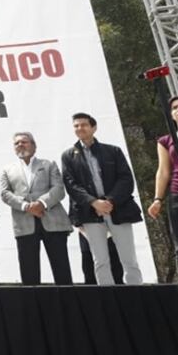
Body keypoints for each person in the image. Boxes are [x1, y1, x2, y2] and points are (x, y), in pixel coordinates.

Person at [61, 112, 144, 285]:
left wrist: (110, 201)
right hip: (90, 213)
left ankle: (136, 297)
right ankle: (107, 302)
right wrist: (94, 202)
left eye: (83, 125)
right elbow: (71, 185)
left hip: (117, 209)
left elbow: (126, 179)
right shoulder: (69, 155)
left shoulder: (112, 151)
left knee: (129, 259)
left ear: (94, 127)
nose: (79, 128)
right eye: (76, 126)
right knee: (100, 261)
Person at [0, 132, 74, 285]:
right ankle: (33, 308)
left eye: (24, 142)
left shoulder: (48, 164)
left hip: (53, 222)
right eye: (17, 143)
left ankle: (68, 307)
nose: (20, 145)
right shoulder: (7, 169)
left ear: (34, 146)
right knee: (29, 274)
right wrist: (26, 206)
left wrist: (40, 203)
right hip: (24, 224)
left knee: (62, 270)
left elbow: (58, 189)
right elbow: (5, 194)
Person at [147, 95, 178, 269]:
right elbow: (163, 171)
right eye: (174, 108)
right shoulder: (165, 140)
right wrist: (158, 199)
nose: (177, 110)